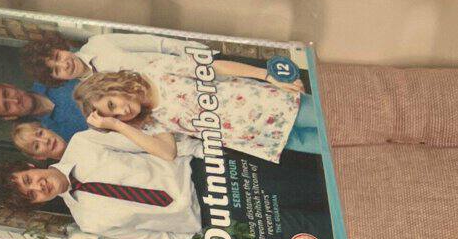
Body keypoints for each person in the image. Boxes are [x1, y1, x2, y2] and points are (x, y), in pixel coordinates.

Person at [26, 30, 321, 158]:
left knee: (334, 117)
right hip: (262, 138)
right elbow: (167, 152)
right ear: (57, 80)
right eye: (56, 70)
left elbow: (159, 45)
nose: (64, 64)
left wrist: (198, 55)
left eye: (58, 57)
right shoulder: (142, 121)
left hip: (262, 101)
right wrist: (116, 124)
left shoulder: (103, 46)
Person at [0, 119, 202, 239]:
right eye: (32, 195)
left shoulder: (83, 143)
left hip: (199, 173)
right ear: (38, 204)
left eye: (28, 180)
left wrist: (205, 153)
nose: (38, 187)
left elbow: (149, 144)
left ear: (30, 166)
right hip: (204, 219)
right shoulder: (88, 221)